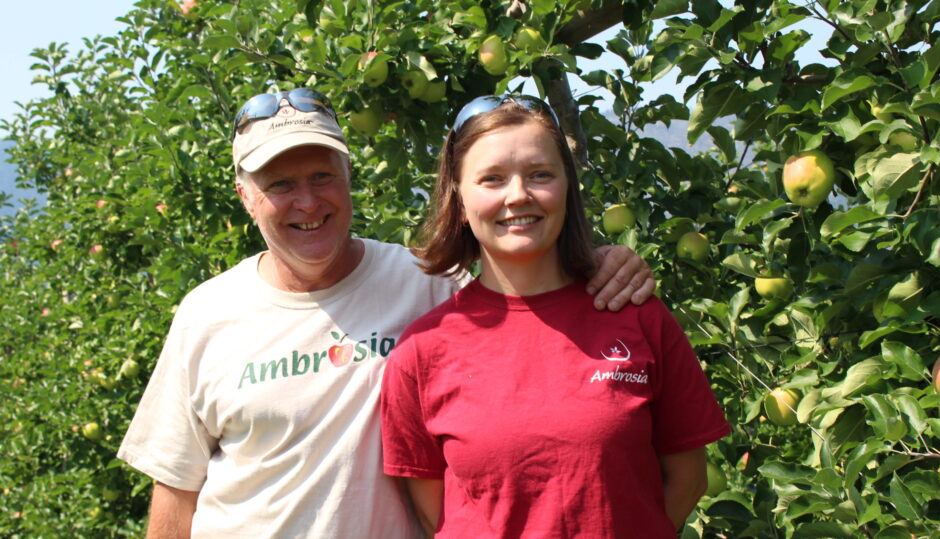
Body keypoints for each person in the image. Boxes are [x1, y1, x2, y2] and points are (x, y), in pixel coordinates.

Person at [116, 88, 657, 538]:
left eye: (322, 176)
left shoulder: (429, 284)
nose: (308, 202)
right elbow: (176, 491)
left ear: (348, 175)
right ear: (244, 195)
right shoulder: (207, 315)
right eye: (280, 184)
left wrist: (602, 263)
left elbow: (527, 282)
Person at [380, 95, 731, 537]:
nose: (518, 195)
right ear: (460, 201)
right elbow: (437, 515)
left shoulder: (636, 314)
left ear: (567, 187)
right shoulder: (421, 351)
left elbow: (688, 479)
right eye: (492, 179)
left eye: (540, 174)